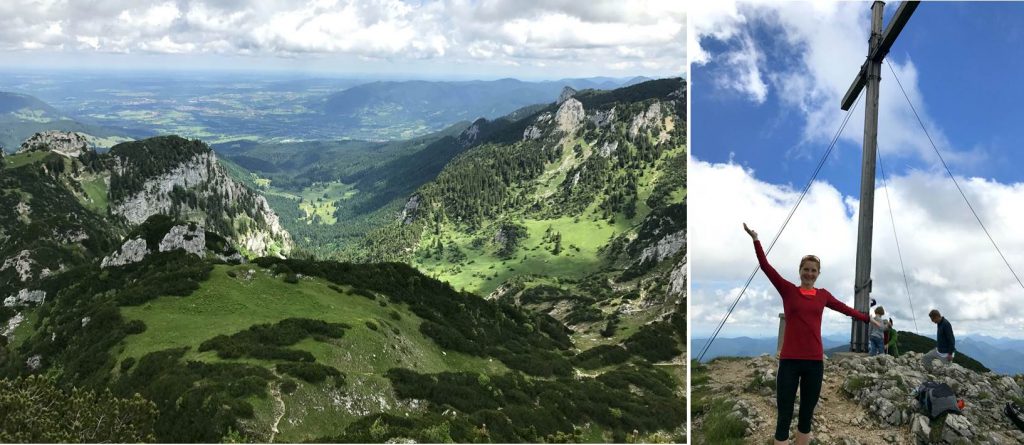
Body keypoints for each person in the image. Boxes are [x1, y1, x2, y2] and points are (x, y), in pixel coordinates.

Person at [744, 223, 871, 445]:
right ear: (800, 271)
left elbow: (845, 309)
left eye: (814, 270)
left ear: (818, 274)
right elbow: (766, 267)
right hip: (789, 362)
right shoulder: (788, 290)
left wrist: (869, 319)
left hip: (814, 362)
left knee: (806, 416)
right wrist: (756, 240)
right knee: (784, 414)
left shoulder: (823, 295)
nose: (809, 273)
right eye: (806, 269)